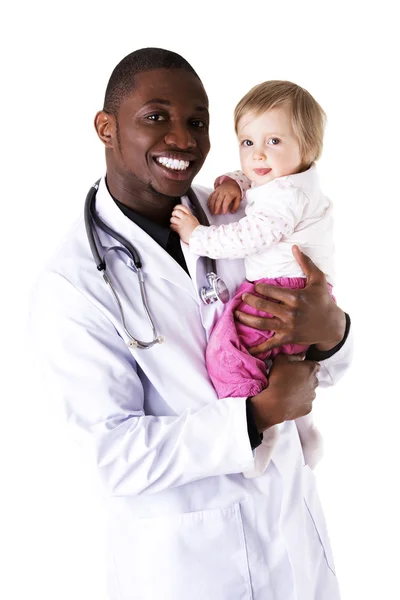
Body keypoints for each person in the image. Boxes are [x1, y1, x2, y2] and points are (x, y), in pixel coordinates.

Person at [28, 47, 352, 600]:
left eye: (197, 122)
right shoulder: (73, 283)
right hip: (192, 569)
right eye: (156, 117)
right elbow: (113, 456)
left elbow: (322, 364)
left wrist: (332, 333)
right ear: (107, 128)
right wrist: (256, 415)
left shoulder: (242, 212)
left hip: (296, 546)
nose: (183, 139)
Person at [170, 80, 335, 476]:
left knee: (228, 354)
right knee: (287, 364)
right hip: (302, 291)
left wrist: (198, 236)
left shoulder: (284, 199)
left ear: (308, 148)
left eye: (274, 141)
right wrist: (234, 181)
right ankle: (306, 430)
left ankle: (262, 428)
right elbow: (261, 176)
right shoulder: (291, 183)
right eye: (247, 143)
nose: (258, 153)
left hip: (279, 294)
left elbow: (251, 235)